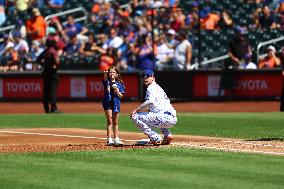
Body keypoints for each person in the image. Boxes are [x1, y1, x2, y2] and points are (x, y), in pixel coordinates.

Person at [130, 70, 177, 145]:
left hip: (163, 117)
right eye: (144, 77)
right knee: (155, 115)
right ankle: (167, 135)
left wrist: (137, 109)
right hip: (172, 118)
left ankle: (155, 137)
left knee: (135, 116)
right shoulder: (158, 88)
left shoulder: (150, 88)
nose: (145, 78)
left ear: (153, 78)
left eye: (147, 76)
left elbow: (150, 101)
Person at [36, 38, 62, 113]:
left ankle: (46, 109)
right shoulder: (53, 51)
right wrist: (55, 66)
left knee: (46, 92)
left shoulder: (45, 51)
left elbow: (37, 60)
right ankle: (54, 109)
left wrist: (44, 65)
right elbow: (57, 61)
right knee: (53, 92)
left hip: (45, 73)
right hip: (53, 73)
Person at [102, 65, 125, 146]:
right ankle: (109, 139)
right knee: (110, 121)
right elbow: (104, 77)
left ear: (117, 74)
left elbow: (121, 96)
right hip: (107, 102)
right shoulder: (107, 82)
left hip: (116, 103)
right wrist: (106, 72)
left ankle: (116, 138)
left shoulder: (119, 83)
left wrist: (117, 92)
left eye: (113, 72)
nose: (112, 73)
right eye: (110, 72)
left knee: (116, 121)